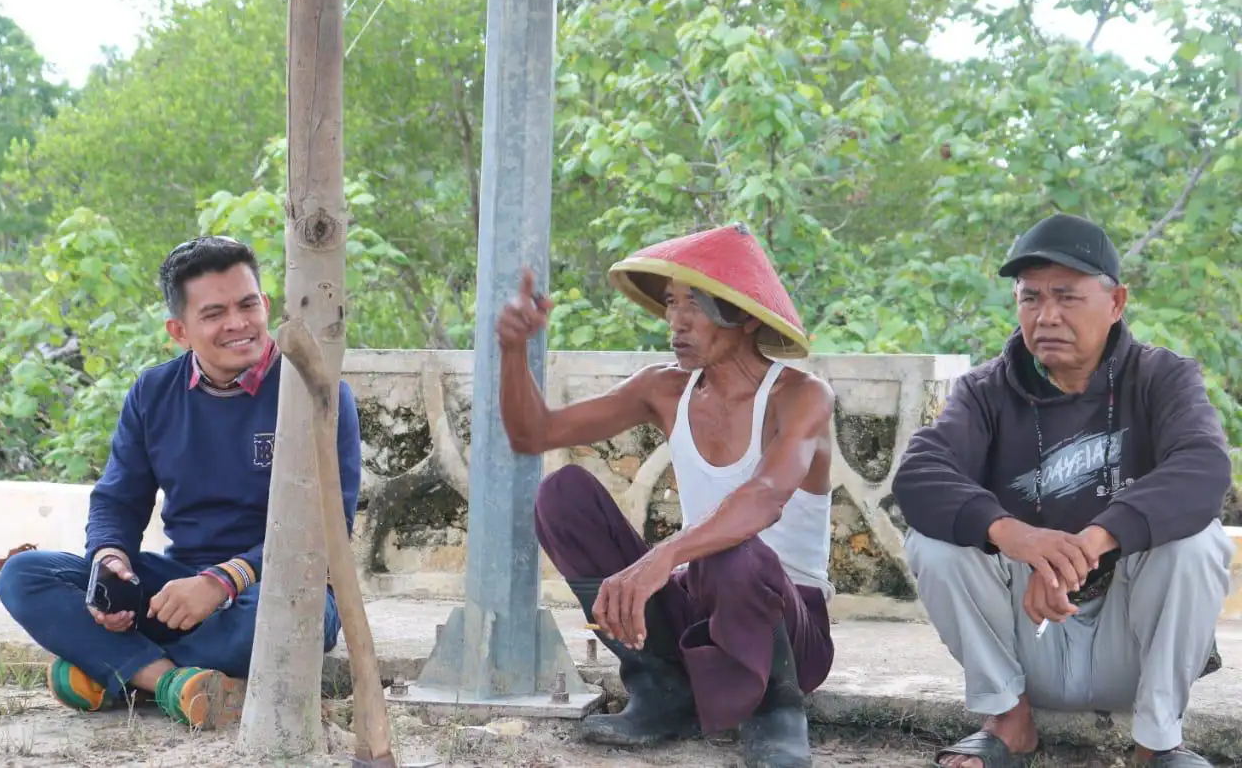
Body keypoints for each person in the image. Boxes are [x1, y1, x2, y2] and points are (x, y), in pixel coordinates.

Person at [892, 214, 1234, 768]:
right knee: (933, 541)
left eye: (1067, 297)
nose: (1045, 316)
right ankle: (1009, 721)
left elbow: (1203, 468)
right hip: (1030, 642)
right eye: (1030, 298)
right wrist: (1018, 538)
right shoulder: (985, 390)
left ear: (1117, 301)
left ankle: (1158, 744)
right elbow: (919, 473)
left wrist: (1092, 543)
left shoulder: (1163, 378)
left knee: (1199, 543)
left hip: (1134, 643)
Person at [497, 223, 836, 768]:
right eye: (672, 303)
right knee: (563, 496)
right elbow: (532, 434)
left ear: (745, 315)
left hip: (790, 632)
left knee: (736, 550)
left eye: (695, 306)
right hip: (700, 607)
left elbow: (765, 497)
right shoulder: (663, 388)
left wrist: (663, 556)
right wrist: (512, 350)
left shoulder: (801, 396)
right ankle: (661, 690)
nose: (676, 322)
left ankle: (776, 710)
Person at [0, 236, 363, 731]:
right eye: (214, 314)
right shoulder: (153, 392)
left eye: (247, 304)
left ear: (266, 305)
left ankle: (116, 669)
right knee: (25, 576)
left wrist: (221, 582)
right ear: (179, 330)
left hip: (279, 589)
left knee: (280, 627)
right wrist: (112, 566)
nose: (238, 324)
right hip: (176, 586)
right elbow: (117, 501)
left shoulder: (317, 391)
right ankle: (173, 683)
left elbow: (327, 524)